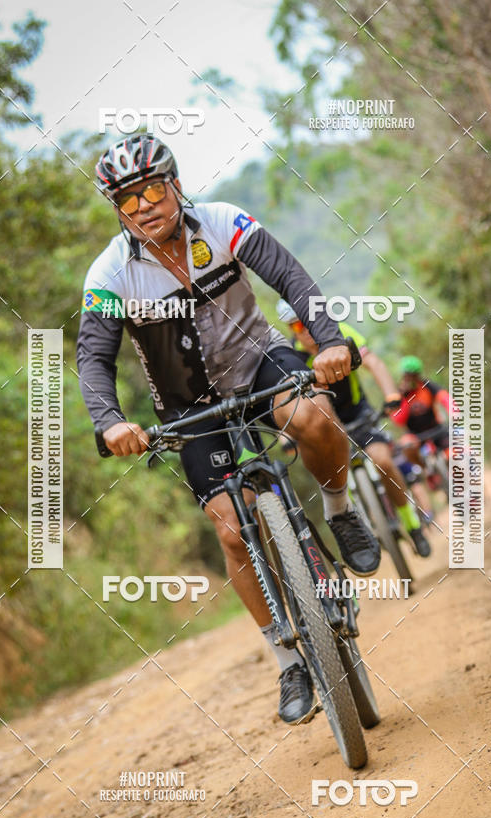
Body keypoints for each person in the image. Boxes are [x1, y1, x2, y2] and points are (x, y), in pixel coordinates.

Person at [77, 134, 381, 726]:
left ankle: (340, 511)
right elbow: (93, 357)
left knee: (312, 414)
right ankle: (287, 657)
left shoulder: (223, 224)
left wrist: (330, 342)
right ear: (116, 209)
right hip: (187, 405)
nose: (143, 207)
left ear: (176, 186)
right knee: (232, 530)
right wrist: (110, 421)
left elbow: (292, 279)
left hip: (260, 362)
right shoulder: (110, 273)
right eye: (127, 201)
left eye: (152, 191)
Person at [277, 301, 431, 557]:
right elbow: (284, 401)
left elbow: (374, 364)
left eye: (308, 321)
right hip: (327, 428)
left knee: (384, 461)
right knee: (336, 482)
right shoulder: (292, 356)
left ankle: (412, 525)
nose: (304, 331)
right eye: (295, 326)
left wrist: (392, 394)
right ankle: (358, 530)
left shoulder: (338, 334)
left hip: (358, 415)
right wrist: (286, 436)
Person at [392, 356, 454, 516]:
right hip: (416, 436)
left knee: (455, 454)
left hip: (436, 429)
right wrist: (404, 398)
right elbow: (398, 420)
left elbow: (444, 397)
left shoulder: (427, 386)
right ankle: (426, 471)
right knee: (406, 445)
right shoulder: (400, 394)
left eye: (414, 375)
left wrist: (454, 411)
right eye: (408, 375)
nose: (411, 378)